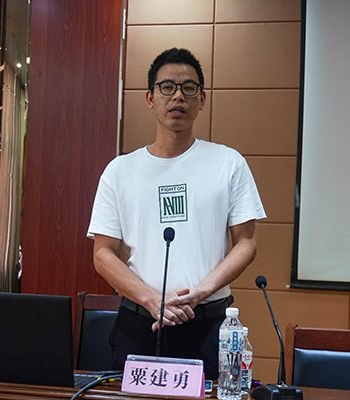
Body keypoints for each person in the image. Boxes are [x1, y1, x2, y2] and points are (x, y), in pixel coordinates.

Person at [87, 48, 266, 379]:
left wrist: (200, 292)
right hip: (140, 323)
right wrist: (151, 299)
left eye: (189, 88)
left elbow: (246, 243)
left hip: (208, 324)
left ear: (202, 99)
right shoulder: (119, 171)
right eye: (167, 87)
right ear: (150, 98)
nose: (178, 96)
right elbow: (103, 253)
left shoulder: (228, 163)